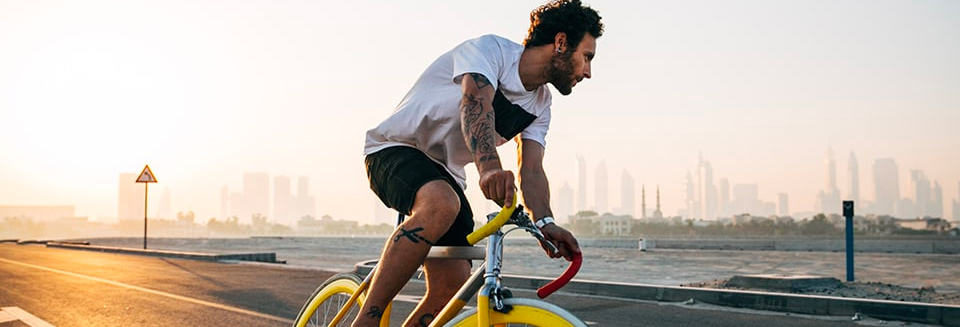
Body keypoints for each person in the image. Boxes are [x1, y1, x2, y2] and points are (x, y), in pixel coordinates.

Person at [357, 1, 602, 326]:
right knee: (442, 203)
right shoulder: (491, 51)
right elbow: (476, 103)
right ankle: (366, 320)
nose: (588, 71)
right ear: (560, 43)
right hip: (393, 149)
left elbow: (531, 169)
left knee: (454, 281)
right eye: (586, 57)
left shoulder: (541, 104)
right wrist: (488, 168)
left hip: (446, 175)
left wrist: (545, 224)